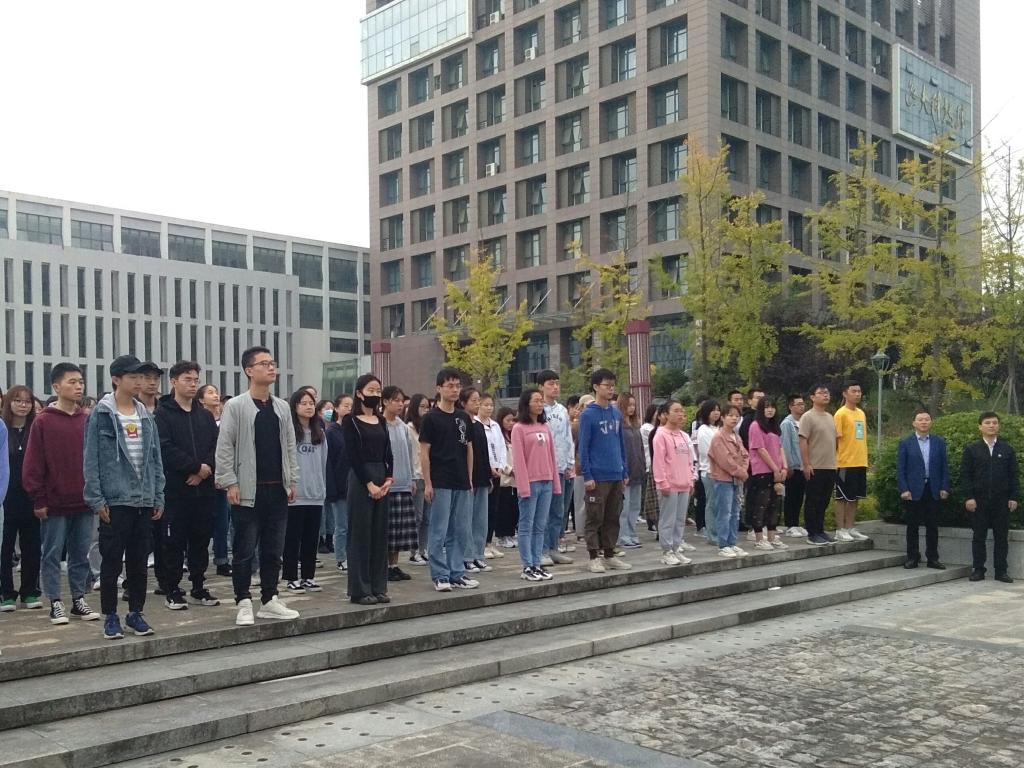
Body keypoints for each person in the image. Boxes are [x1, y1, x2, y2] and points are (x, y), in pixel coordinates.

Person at [215, 346, 300, 626]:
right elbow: (225, 446)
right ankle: (242, 601)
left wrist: (292, 479)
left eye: (272, 362)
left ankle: (269, 599)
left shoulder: (281, 407)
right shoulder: (237, 406)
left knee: (274, 549)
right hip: (247, 490)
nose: (271, 367)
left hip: (277, 488)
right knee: (244, 549)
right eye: (264, 363)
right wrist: (229, 481)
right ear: (249, 370)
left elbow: (290, 445)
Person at [85, 355, 166, 639]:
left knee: (139, 561)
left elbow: (155, 458)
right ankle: (110, 615)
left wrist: (158, 495)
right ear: (116, 379)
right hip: (115, 499)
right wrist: (96, 499)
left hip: (143, 499)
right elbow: (91, 459)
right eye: (133, 377)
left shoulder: (145, 414)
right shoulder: (102, 414)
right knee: (111, 561)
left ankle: (136, 613)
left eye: (141, 377)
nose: (139, 382)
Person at [23, 364, 99, 625]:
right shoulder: (43, 420)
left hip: (84, 500)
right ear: (56, 386)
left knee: (80, 553)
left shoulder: (86, 419)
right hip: (54, 502)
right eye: (72, 382)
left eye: (81, 382)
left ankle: (79, 598)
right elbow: (33, 463)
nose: (78, 386)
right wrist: (39, 497)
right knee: (52, 553)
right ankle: (55, 601)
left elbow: (95, 458)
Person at [154, 361, 220, 610]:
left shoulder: (204, 415)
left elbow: (215, 445)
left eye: (195, 380)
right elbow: (164, 447)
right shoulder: (163, 414)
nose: (193, 384)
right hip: (176, 489)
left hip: (204, 489)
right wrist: (193, 467)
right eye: (187, 379)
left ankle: (199, 586)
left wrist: (205, 470)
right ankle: (172, 588)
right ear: (173, 382)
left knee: (201, 540)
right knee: (173, 542)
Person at [420, 368, 477, 592]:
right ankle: (440, 574)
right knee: (439, 530)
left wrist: (469, 478)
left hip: (461, 480)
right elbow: (424, 452)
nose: (454, 390)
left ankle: (457, 572)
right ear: (439, 388)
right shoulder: (431, 418)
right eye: (450, 386)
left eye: (457, 386)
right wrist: (428, 482)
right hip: (440, 480)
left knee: (459, 530)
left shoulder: (463, 417)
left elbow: (469, 449)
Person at [343, 374, 394, 604]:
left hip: (382, 477)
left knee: (379, 534)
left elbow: (388, 451)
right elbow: (353, 455)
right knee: (360, 534)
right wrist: (369, 484)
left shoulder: (381, 420)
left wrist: (388, 479)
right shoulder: (350, 421)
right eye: (370, 390)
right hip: (361, 477)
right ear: (359, 393)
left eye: (378, 390)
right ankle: (360, 589)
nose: (375, 394)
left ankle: (378, 586)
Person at [578, 368, 632, 573]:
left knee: (613, 516)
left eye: (612, 386)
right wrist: (587, 474)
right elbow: (583, 447)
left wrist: (624, 471)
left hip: (615, 472)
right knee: (595, 517)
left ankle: (610, 553)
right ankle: (593, 556)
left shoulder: (616, 413)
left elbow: (620, 444)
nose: (610, 389)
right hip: (597, 475)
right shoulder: (588, 415)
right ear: (595, 387)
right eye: (606, 386)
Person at [961, 411, 1019, 583]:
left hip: (1001, 501)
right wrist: (969, 497)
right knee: (979, 536)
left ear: (998, 426)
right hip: (979, 500)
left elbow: (1014, 475)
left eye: (994, 422)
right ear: (980, 427)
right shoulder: (972, 450)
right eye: (987, 423)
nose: (991, 425)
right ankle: (978, 569)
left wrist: (1014, 497)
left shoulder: (1007, 449)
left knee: (1001, 537)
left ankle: (1001, 571)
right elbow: (965, 475)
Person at [510, 388, 560, 582]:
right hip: (530, 483)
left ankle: (537, 563)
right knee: (526, 525)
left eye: (541, 401)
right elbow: (519, 460)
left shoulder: (544, 426)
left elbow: (552, 456)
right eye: (536, 401)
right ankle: (527, 565)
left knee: (540, 526)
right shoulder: (519, 428)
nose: (540, 404)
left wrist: (555, 483)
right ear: (527, 403)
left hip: (546, 481)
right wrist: (523, 487)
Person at [283, 388, 328, 593]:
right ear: (295, 407)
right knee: (292, 539)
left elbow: (323, 462)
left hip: (315, 494)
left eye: (311, 403)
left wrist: (322, 487)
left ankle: (308, 577)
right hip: (295, 495)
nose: (309, 407)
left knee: (311, 539)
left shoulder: (320, 434)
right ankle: (291, 577)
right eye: (304, 403)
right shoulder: (289, 433)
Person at [1, 386, 41, 611]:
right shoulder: (2, 428)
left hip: (30, 497)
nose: (23, 405)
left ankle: (30, 592)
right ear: (8, 402)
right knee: (5, 547)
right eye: (17, 400)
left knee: (32, 546)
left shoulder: (35, 429)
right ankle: (5, 593)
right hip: (6, 498)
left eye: (27, 401)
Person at [896, 409, 949, 570]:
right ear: (914, 423)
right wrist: (904, 489)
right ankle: (913, 557)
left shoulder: (939, 442)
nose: (924, 422)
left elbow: (944, 467)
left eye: (927, 419)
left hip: (933, 488)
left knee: (932, 526)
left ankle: (933, 558)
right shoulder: (906, 442)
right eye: (920, 419)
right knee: (912, 526)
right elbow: (901, 468)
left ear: (931, 422)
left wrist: (944, 487)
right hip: (913, 490)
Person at [536, 370, 575, 567]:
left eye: (557, 383)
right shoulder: (537, 410)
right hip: (544, 468)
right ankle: (542, 550)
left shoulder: (562, 410)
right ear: (541, 387)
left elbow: (568, 437)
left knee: (559, 511)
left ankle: (554, 548)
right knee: (544, 510)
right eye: (550, 384)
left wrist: (570, 463)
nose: (555, 387)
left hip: (561, 466)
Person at [652, 399, 695, 565]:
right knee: (668, 519)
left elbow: (690, 460)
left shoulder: (684, 436)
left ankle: (676, 547)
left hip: (684, 483)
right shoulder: (661, 434)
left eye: (681, 410)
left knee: (680, 519)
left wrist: (691, 480)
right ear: (665, 414)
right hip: (669, 484)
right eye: (676, 411)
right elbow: (659, 461)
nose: (680, 414)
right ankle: (667, 550)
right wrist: (662, 482)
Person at [383, 385, 418, 583]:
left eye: (401, 401)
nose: (399, 404)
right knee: (387, 529)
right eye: (395, 400)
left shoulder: (403, 427)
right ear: (385, 402)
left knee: (399, 531)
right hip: (387, 484)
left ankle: (394, 565)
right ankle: (383, 566)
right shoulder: (380, 425)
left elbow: (410, 454)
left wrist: (411, 478)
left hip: (404, 482)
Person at [198, 383, 232, 578]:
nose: (215, 395)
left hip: (222, 479)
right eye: (210, 392)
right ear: (201, 399)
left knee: (222, 522)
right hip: (203, 476)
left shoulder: (226, 420)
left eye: (216, 392)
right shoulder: (199, 420)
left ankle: (222, 559)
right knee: (200, 522)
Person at [459, 387, 493, 575]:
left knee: (481, 520)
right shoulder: (461, 424)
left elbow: (484, 453)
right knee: (466, 520)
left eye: (478, 399)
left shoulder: (479, 425)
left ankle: (478, 554)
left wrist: (488, 475)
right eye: (473, 400)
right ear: (463, 403)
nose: (477, 403)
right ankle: (466, 557)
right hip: (467, 479)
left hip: (482, 477)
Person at [747, 396, 788, 551]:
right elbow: (760, 449)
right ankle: (759, 538)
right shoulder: (755, 426)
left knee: (774, 504)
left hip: (777, 470)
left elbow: (781, 448)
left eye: (772, 407)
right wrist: (775, 468)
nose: (770, 410)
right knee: (761, 504)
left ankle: (772, 536)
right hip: (762, 470)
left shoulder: (774, 427)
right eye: (766, 407)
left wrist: (784, 467)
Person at [799, 384, 838, 546]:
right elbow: (803, 441)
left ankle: (820, 530)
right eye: (821, 393)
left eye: (827, 392)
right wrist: (806, 464)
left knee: (824, 501)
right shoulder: (807, 417)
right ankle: (812, 532)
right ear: (812, 397)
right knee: (813, 500)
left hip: (830, 466)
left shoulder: (830, 417)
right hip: (815, 466)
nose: (825, 395)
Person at [708, 405, 749, 558]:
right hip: (723, 479)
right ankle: (723, 544)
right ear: (723, 418)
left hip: (737, 479)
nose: (734, 418)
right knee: (724, 512)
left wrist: (743, 469)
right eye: (730, 415)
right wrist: (741, 472)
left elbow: (745, 455)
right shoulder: (719, 437)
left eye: (737, 416)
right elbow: (725, 461)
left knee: (735, 512)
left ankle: (732, 542)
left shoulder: (736, 436)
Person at [832, 382, 870, 542]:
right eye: (853, 391)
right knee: (842, 497)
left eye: (859, 391)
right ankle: (840, 529)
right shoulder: (840, 414)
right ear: (845, 393)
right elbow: (835, 440)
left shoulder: (861, 413)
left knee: (855, 497)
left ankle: (850, 527)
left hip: (860, 461)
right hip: (845, 462)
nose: (857, 394)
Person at [477, 393, 506, 560]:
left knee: (493, 508)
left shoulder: (495, 425)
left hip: (497, 470)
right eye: (485, 405)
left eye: (491, 405)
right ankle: (481, 544)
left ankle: (489, 542)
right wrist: (489, 468)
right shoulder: (476, 424)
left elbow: (501, 447)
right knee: (483, 509)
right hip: (484, 471)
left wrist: (500, 466)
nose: (489, 408)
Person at [327, 393, 354, 569]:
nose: (349, 409)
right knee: (342, 525)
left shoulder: (355, 429)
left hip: (356, 485)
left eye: (351, 405)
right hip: (339, 484)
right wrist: (332, 488)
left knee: (354, 525)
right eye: (345, 405)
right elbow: (328, 461)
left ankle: (352, 556)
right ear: (336, 408)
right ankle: (341, 557)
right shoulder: (331, 432)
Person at [404, 393, 431, 565]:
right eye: (422, 406)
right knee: (418, 516)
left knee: (427, 517)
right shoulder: (408, 428)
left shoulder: (427, 427)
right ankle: (414, 552)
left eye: (427, 407)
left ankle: (423, 548)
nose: (425, 410)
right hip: (416, 475)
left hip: (428, 476)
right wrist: (411, 478)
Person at [616, 392, 645, 549]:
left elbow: (640, 448)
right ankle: (623, 536)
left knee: (635, 506)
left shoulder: (635, 425)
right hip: (625, 472)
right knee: (624, 508)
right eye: (629, 405)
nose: (632, 408)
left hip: (637, 470)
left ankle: (632, 533)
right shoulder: (619, 425)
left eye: (634, 405)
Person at [780, 393, 807, 538]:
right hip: (793, 466)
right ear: (791, 406)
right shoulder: (787, 424)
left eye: (803, 404)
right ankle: (790, 525)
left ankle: (796, 523)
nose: (802, 407)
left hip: (803, 465)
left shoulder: (804, 421)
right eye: (798, 404)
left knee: (799, 496)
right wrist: (788, 465)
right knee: (791, 496)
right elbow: (785, 445)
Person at [695, 400, 722, 547]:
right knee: (712, 504)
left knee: (722, 504)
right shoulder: (703, 429)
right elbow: (708, 451)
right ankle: (712, 535)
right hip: (709, 471)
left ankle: (721, 532)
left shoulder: (720, 428)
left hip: (724, 471)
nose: (716, 413)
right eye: (713, 410)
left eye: (718, 410)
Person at [495, 406, 519, 549]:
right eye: (508, 420)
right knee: (503, 509)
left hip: (515, 480)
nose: (511, 423)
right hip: (504, 478)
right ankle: (501, 536)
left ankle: (510, 533)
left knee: (513, 508)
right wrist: (509, 470)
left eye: (513, 420)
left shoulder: (513, 436)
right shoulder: (499, 436)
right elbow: (499, 457)